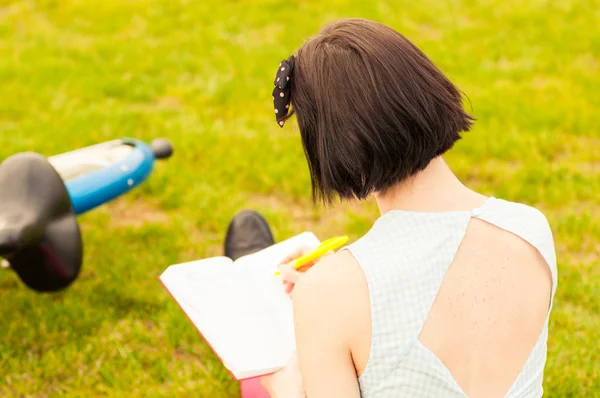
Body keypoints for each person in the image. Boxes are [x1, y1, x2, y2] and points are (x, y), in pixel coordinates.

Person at [226, 18, 557, 398]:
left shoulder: (329, 294)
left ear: (333, 146)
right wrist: (336, 287)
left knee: (268, 378)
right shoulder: (530, 228)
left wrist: (284, 383)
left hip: (334, 304)